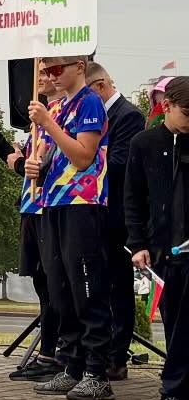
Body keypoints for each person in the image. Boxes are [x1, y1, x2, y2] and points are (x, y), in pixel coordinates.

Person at [27, 53, 113, 400]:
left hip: (83, 202)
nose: (50, 76)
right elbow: (52, 156)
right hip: (54, 202)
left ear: (79, 67)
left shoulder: (90, 103)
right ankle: (72, 364)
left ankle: (97, 372)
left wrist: (48, 123)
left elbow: (82, 156)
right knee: (60, 286)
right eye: (46, 70)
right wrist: (34, 165)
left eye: (56, 69)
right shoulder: (58, 106)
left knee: (85, 287)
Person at [0, 65, 62, 382]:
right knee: (43, 285)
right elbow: (21, 164)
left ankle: (55, 354)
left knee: (54, 287)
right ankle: (49, 353)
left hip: (50, 210)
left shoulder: (58, 118)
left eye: (46, 72)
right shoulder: (37, 124)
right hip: (30, 208)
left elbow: (42, 164)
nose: (39, 78)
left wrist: (23, 162)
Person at [126, 76, 189, 400]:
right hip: (163, 250)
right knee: (174, 322)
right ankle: (176, 392)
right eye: (187, 114)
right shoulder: (145, 143)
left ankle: (176, 388)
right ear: (167, 106)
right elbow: (133, 198)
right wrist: (138, 243)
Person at [86, 61, 146, 380]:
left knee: (118, 287)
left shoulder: (128, 116)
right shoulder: (94, 116)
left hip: (117, 216)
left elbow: (121, 163)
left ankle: (116, 356)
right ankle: (97, 350)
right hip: (94, 213)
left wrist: (85, 154)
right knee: (98, 285)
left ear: (100, 86)